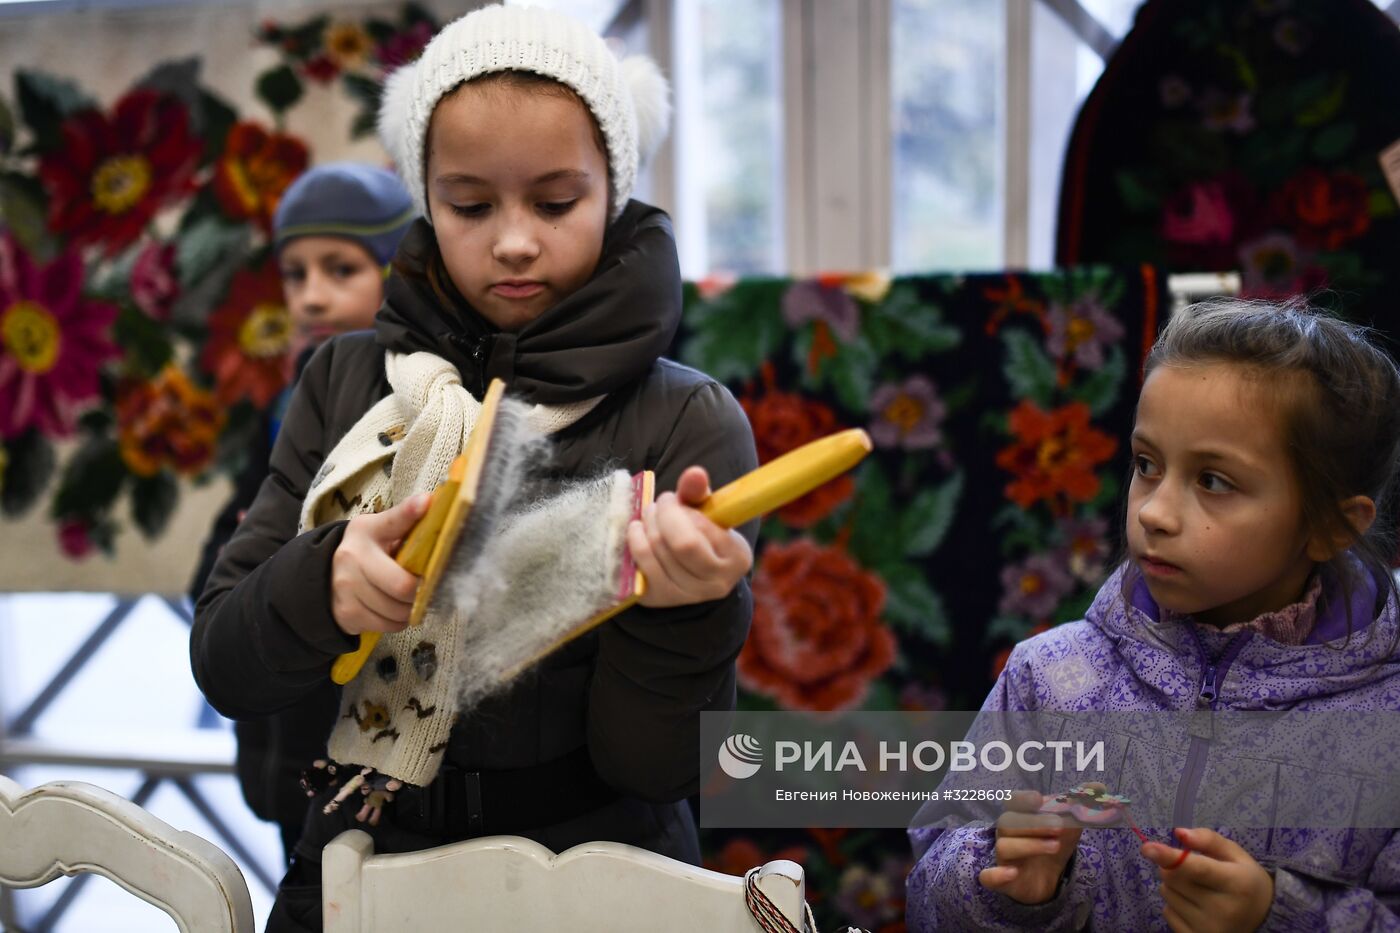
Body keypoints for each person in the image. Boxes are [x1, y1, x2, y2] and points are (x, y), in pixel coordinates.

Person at [189, 6, 758, 930]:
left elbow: (654, 770)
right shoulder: (344, 380)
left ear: (614, 191)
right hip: (352, 870)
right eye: (470, 204)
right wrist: (321, 582)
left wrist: (685, 612)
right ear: (424, 198)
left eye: (556, 200)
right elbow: (223, 662)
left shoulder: (686, 420)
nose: (516, 240)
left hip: (594, 889)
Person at [907, 299, 1400, 931]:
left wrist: (1276, 914)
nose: (1154, 512)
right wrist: (1009, 885)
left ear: (1331, 524)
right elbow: (927, 899)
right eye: (1147, 465)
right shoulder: (1050, 679)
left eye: (1214, 481)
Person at [189, 162, 415, 864]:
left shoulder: (421, 405)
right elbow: (225, 566)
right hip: (286, 745)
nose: (313, 296)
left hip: (376, 752)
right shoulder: (284, 406)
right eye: (296, 274)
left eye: (341, 268)